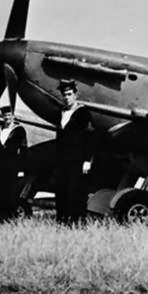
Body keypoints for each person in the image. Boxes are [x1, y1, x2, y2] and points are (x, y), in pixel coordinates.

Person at [55, 79, 93, 226]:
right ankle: (62, 222)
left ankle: (77, 223)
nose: (66, 97)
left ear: (75, 95)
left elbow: (90, 137)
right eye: (64, 94)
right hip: (62, 159)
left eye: (69, 94)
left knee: (76, 191)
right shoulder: (61, 113)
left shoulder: (83, 113)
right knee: (62, 190)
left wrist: (87, 160)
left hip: (77, 159)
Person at [0, 105, 26, 222]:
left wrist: (21, 168)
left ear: (13, 116)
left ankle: (11, 218)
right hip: (0, 166)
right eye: (5, 115)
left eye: (9, 115)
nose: (7, 117)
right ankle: (0, 218)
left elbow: (23, 149)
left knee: (11, 192)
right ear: (2, 116)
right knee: (0, 192)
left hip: (13, 166)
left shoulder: (19, 130)